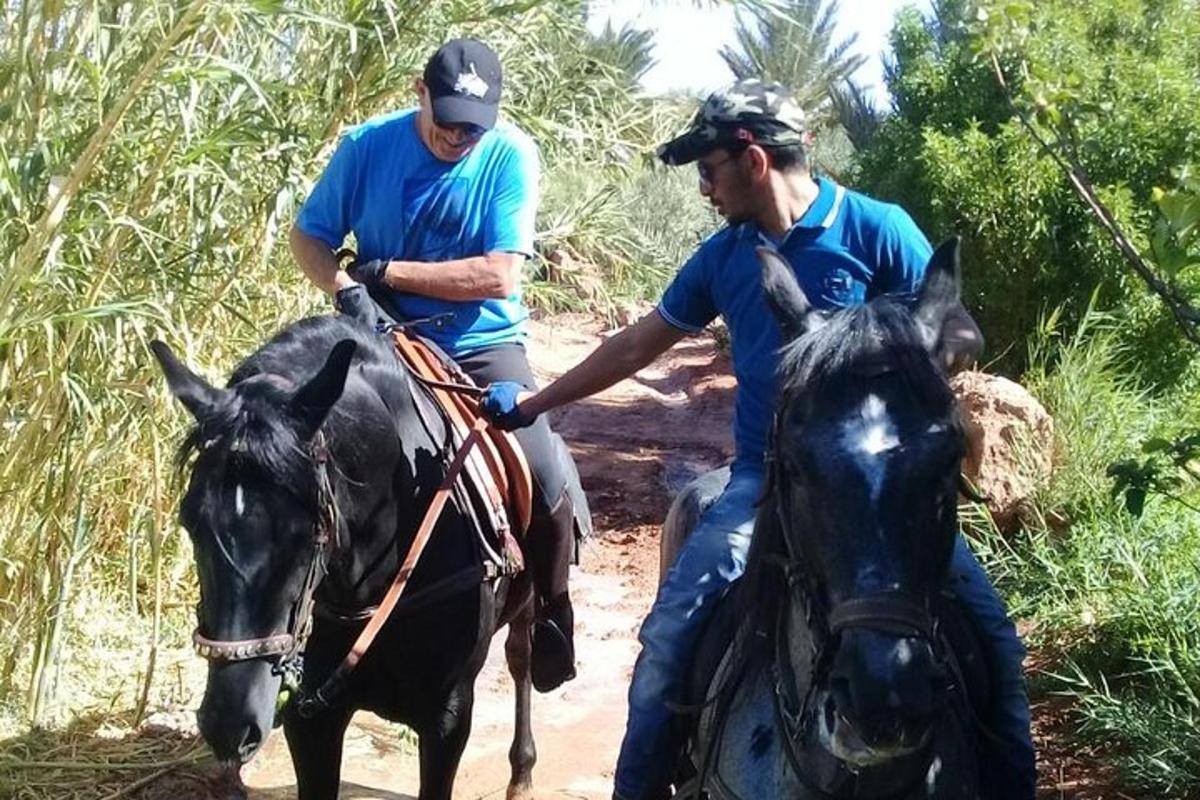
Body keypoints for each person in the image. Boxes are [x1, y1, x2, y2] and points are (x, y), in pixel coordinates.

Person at [480, 79, 1036, 799]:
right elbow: (637, 346)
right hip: (764, 484)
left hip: (883, 498)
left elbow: (956, 326)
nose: (705, 188)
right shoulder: (725, 258)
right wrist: (536, 401)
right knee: (668, 642)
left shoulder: (877, 228)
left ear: (752, 157)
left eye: (707, 170)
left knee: (994, 641)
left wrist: (895, 347)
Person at [289, 37, 579, 693]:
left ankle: (554, 611)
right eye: (446, 120)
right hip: (373, 334)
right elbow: (307, 237)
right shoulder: (367, 147)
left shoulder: (510, 154)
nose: (457, 136)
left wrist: (388, 270)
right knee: (289, 444)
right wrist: (347, 291)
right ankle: (277, 626)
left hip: (479, 343)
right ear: (419, 94)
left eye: (472, 127)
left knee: (543, 460)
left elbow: (498, 273)